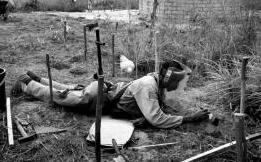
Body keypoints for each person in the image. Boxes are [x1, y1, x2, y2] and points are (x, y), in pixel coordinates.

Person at [12, 60, 210, 129]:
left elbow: (155, 111)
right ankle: (27, 84)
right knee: (62, 97)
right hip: (98, 97)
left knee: (67, 88)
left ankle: (36, 77)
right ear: (168, 80)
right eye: (176, 82)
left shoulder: (156, 83)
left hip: (104, 91)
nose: (177, 87)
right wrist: (190, 119)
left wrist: (145, 118)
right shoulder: (148, 86)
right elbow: (157, 118)